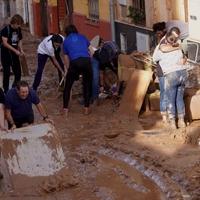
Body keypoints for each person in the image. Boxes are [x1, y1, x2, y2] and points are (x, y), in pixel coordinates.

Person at [153, 28, 188, 129]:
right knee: (179, 99)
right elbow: (184, 55)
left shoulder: (162, 48)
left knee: (170, 100)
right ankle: (181, 122)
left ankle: (172, 123)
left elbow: (155, 58)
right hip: (183, 74)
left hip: (172, 75)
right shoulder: (178, 46)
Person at [63, 24, 93, 115]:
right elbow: (91, 50)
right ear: (76, 30)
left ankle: (65, 110)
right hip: (86, 61)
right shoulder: (83, 37)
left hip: (74, 62)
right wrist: (89, 62)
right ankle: (86, 109)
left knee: (68, 86)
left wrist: (69, 70)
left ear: (66, 33)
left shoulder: (66, 41)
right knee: (87, 85)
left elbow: (66, 58)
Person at [1, 14, 24, 94]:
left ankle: (14, 89)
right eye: (18, 24)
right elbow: (5, 43)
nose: (19, 26)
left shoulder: (18, 30)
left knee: (18, 72)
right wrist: (15, 51)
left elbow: (20, 40)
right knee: (6, 72)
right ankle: (6, 90)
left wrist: (21, 49)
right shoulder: (5, 30)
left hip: (15, 54)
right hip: (5, 54)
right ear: (14, 22)